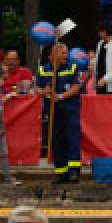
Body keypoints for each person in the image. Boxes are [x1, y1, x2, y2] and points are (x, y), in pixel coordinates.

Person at [39, 43, 84, 183]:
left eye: (66, 53)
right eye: (63, 53)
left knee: (72, 139)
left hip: (70, 109)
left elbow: (76, 88)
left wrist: (61, 96)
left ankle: (74, 171)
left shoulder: (73, 67)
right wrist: (44, 91)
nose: (66, 56)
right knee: (57, 141)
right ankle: (61, 172)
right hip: (53, 110)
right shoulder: (43, 69)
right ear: (53, 55)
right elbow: (38, 88)